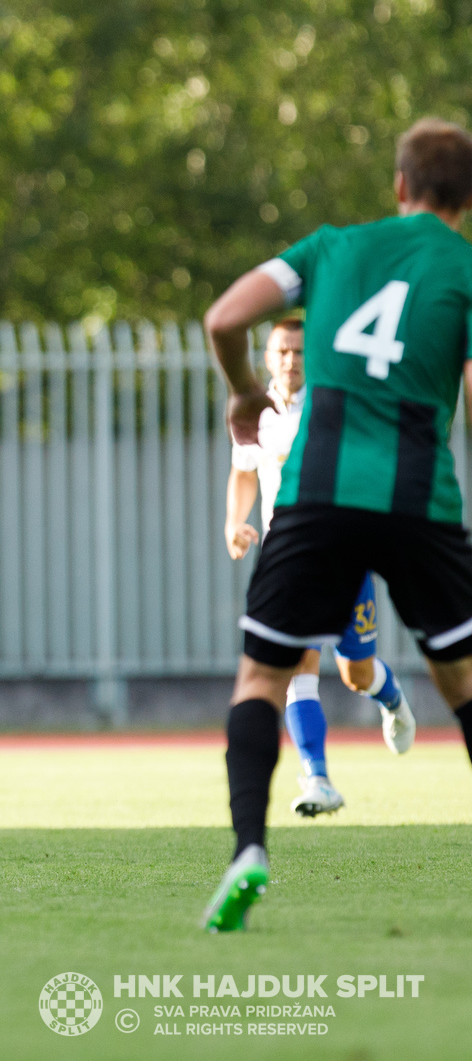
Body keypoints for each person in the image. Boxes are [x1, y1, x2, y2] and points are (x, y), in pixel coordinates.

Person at [200, 118, 472, 931]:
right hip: (420, 502)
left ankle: (250, 847)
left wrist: (246, 391)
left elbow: (223, 318)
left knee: (261, 679)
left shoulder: (329, 249)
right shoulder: (463, 268)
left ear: (398, 184)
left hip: (316, 499)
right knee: (463, 685)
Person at [224, 317, 415, 818]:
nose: (290, 361)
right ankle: (318, 778)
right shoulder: (253, 411)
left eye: (299, 352)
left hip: (345, 552)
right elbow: (244, 471)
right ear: (267, 357)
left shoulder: (333, 404)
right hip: (287, 557)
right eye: (281, 352)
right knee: (296, 667)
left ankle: (392, 701)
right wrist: (233, 522)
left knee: (356, 673)